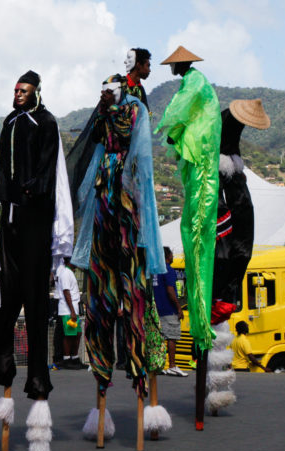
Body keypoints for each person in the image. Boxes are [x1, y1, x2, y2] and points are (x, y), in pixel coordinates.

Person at [0, 71, 72, 451]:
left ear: (35, 92)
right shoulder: (11, 123)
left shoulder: (46, 122)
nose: (17, 95)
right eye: (15, 90)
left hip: (35, 218)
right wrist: (5, 199)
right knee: (2, 298)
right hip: (11, 221)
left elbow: (48, 168)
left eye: (23, 90)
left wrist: (31, 189)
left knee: (35, 305)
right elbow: (2, 167)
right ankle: (1, 366)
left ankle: (38, 385)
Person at [70, 75, 165, 423]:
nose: (105, 91)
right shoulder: (102, 114)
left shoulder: (135, 110)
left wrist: (131, 192)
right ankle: (101, 381)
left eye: (111, 88)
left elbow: (141, 157)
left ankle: (141, 381)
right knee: (100, 298)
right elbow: (91, 146)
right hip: (104, 197)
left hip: (126, 202)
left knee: (135, 298)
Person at [156, 46, 221, 427]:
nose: (173, 70)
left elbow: (178, 113)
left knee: (197, 232)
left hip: (203, 170)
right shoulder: (195, 86)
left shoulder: (195, 84)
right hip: (200, 168)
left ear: (184, 64)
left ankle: (201, 326)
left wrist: (168, 128)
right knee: (192, 228)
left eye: (174, 65)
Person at [206, 99, 271, 412]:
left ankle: (217, 384)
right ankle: (214, 385)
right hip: (225, 215)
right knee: (231, 257)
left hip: (233, 206)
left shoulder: (232, 171)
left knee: (237, 253)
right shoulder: (221, 169)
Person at [153, 247, 185, 376]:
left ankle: (158, 365)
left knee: (158, 339)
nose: (173, 256)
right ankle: (172, 365)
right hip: (169, 310)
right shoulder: (168, 270)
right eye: (172, 254)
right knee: (172, 337)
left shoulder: (155, 271)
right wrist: (178, 307)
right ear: (168, 256)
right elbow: (170, 290)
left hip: (156, 310)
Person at [54, 257, 85, 369]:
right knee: (69, 335)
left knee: (77, 334)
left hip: (74, 309)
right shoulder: (66, 273)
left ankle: (75, 357)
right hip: (67, 310)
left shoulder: (70, 273)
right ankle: (66, 359)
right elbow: (66, 292)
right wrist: (72, 310)